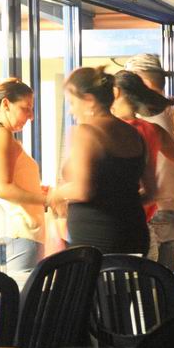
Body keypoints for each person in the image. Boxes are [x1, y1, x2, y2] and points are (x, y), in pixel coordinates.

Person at [51, 66, 156, 255]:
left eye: (72, 103)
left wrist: (56, 195)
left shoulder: (86, 132)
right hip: (135, 235)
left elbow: (83, 190)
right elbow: (152, 193)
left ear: (89, 100)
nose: (71, 111)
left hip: (97, 241)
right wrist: (121, 203)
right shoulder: (135, 135)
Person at [125, 54, 174, 270]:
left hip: (148, 212)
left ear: (142, 82)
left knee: (142, 283)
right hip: (173, 215)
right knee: (163, 282)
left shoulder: (142, 119)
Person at [0, 79, 48, 271]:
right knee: (19, 289)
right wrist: (48, 199)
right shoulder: (2, 136)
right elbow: (3, 188)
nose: (31, 116)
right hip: (17, 232)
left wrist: (34, 191)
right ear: (6, 104)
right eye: (26, 108)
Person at [110, 71, 174, 222]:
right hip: (155, 217)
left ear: (116, 92)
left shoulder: (110, 131)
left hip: (123, 219)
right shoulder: (153, 130)